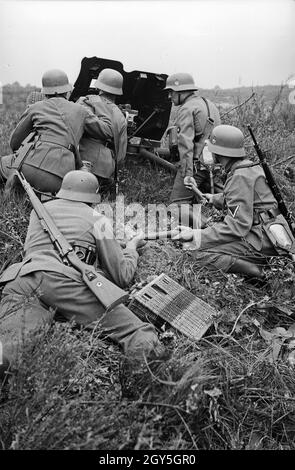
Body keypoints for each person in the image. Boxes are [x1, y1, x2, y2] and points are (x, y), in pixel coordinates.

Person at [0, 170, 166, 381]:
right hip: (60, 284)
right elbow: (122, 275)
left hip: (20, 278)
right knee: (137, 332)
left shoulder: (39, 211)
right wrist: (132, 247)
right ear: (94, 198)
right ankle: (153, 386)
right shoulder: (99, 219)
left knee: (10, 346)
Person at [171, 124, 291, 279]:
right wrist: (214, 198)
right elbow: (246, 200)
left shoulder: (239, 177)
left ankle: (256, 271)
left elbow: (236, 227)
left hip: (262, 240)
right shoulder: (249, 168)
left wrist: (196, 234)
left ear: (219, 151)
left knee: (193, 252)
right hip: (273, 234)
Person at [4, 69, 113, 195]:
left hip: (27, 171)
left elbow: (14, 142)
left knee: (3, 163)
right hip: (61, 179)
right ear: (67, 92)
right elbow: (107, 131)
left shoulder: (36, 107)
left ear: (45, 93)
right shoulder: (81, 111)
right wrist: (99, 104)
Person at [164, 72, 221, 228]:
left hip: (197, 165)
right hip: (215, 164)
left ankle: (209, 228)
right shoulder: (210, 105)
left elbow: (185, 145)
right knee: (226, 199)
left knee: (176, 206)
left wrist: (187, 174)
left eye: (171, 92)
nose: (169, 96)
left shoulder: (187, 108)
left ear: (181, 91)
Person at [77, 68, 127, 192]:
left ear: (99, 87)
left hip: (83, 164)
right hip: (106, 169)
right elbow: (121, 155)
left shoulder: (86, 102)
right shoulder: (121, 115)